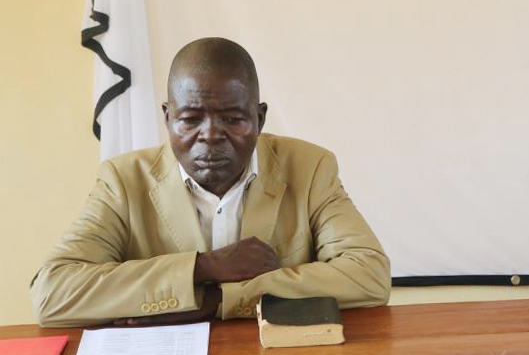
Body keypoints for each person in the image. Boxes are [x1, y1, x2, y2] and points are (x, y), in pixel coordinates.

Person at [31, 38, 390, 327]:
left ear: (259, 118)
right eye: (189, 120)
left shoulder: (309, 168)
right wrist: (204, 267)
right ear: (167, 117)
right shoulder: (123, 181)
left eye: (233, 119)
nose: (210, 136)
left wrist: (217, 300)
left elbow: (369, 275)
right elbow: (53, 293)